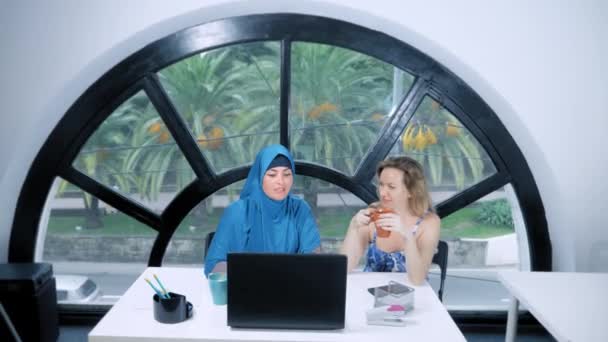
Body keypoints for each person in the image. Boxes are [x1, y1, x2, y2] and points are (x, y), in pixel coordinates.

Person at [204, 144, 321, 277]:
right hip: (245, 291)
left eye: (287, 174)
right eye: (272, 175)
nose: (281, 182)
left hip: (292, 290)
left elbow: (315, 261)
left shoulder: (300, 209)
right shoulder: (238, 211)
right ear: (260, 177)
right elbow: (214, 265)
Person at [340, 156, 440, 285]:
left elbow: (417, 280)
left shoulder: (429, 222)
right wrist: (353, 226)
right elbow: (344, 268)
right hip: (370, 293)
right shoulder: (373, 213)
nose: (382, 192)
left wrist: (407, 235)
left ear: (412, 191)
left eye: (391, 187)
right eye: (381, 184)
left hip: (412, 295)